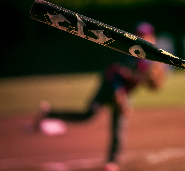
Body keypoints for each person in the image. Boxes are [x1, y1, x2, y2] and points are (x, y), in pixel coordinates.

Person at [34, 21, 167, 171]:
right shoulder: (129, 52)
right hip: (108, 88)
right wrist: (119, 93)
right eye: (141, 34)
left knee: (119, 125)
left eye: (147, 34)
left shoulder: (151, 58)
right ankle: (50, 113)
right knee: (87, 115)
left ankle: (112, 161)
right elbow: (114, 72)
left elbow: (150, 82)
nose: (145, 37)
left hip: (124, 92)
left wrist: (153, 80)